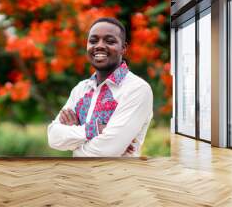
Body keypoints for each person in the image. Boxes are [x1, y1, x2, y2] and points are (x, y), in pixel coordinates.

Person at [47, 17, 153, 157]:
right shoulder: (81, 89)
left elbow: (106, 152)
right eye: (93, 40)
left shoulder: (137, 89)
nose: (99, 45)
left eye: (109, 41)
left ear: (123, 48)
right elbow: (53, 137)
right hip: (78, 177)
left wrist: (74, 140)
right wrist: (94, 129)